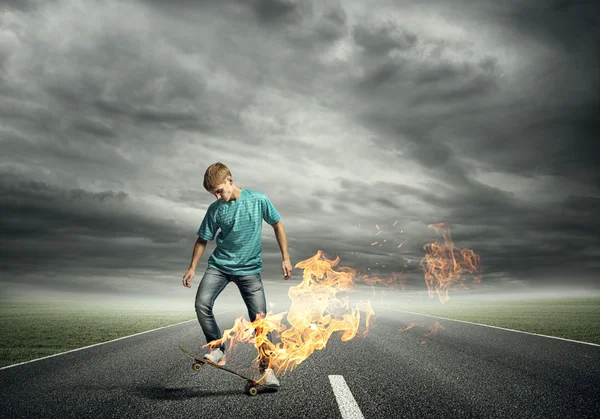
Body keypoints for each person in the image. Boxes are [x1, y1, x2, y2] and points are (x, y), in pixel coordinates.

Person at [182, 162, 293, 387]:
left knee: (260, 321)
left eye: (219, 190)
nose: (217, 196)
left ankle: (268, 371)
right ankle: (217, 349)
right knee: (202, 303)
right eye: (213, 193)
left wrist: (286, 257)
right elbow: (203, 239)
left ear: (230, 180)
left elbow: (278, 224)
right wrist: (192, 267)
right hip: (219, 267)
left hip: (249, 271)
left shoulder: (258, 199)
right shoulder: (215, 209)